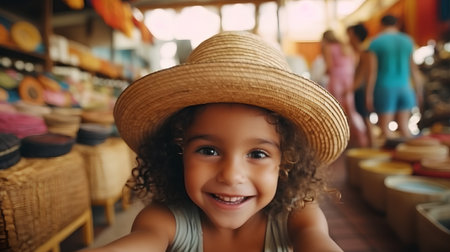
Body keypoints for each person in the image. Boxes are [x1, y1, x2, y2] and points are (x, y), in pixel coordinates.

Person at [80, 31, 348, 252]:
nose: (231, 175)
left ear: (286, 161)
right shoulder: (164, 221)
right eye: (208, 150)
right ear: (178, 150)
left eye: (257, 154)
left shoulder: (298, 218)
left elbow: (317, 241)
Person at [366, 14, 424, 139]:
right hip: (405, 88)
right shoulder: (407, 41)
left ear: (381, 25)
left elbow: (372, 72)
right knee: (404, 127)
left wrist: (368, 94)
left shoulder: (376, 43)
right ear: (396, 24)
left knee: (385, 130)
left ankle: (396, 156)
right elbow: (414, 70)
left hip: (384, 88)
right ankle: (410, 157)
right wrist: (419, 92)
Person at [321, 30, 369, 148]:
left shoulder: (328, 47)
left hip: (337, 80)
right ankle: (359, 138)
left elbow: (329, 67)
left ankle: (340, 139)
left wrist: (322, 73)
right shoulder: (345, 46)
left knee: (336, 110)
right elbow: (353, 62)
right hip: (348, 80)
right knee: (350, 110)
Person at [347, 23, 375, 147]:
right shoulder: (361, 53)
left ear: (355, 36)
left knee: (367, 121)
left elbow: (369, 75)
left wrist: (368, 95)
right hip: (361, 91)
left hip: (363, 92)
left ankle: (373, 148)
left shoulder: (367, 53)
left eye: (350, 35)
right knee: (365, 121)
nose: (348, 39)